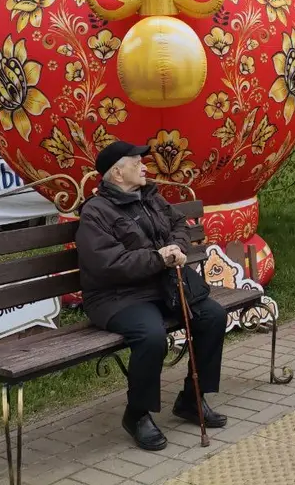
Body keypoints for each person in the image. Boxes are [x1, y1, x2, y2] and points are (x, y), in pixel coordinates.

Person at [76, 141, 228, 451]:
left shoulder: (150, 197)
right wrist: (158, 258)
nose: (145, 167)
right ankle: (137, 414)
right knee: (151, 335)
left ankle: (191, 399)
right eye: (137, 163)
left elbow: (178, 223)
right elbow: (109, 264)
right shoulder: (95, 212)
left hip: (161, 285)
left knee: (213, 316)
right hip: (116, 296)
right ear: (117, 173)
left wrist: (177, 248)